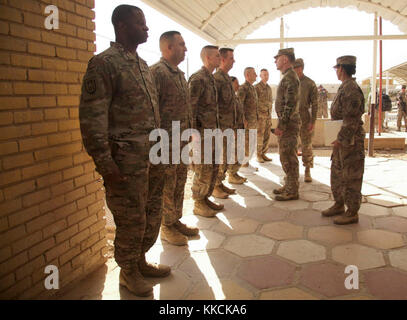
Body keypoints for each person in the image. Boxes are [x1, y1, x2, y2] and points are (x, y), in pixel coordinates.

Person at [79, 5, 169, 297]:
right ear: (121, 25)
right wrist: (105, 163)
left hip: (152, 155)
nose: (146, 29)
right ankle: (128, 272)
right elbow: (93, 118)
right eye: (140, 23)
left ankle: (140, 260)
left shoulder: (142, 65)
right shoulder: (103, 64)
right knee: (131, 217)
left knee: (150, 210)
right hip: (125, 160)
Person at [150, 31, 199, 246]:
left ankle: (174, 219)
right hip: (164, 144)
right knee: (166, 186)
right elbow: (151, 111)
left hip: (181, 142)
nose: (185, 49)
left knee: (179, 182)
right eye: (181, 44)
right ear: (168, 47)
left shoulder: (179, 74)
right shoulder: (157, 73)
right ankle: (165, 226)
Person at [322, 56, 365, 225]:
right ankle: (339, 204)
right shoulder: (344, 87)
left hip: (350, 142)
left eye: (337, 68)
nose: (336, 71)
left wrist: (340, 139)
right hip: (341, 141)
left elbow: (351, 119)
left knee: (351, 176)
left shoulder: (351, 89)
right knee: (338, 173)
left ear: (342, 69)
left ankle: (352, 212)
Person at [189, 45, 223, 216]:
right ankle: (198, 203)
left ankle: (205, 198)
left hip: (212, 133)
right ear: (208, 58)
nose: (220, 59)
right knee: (202, 169)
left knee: (212, 168)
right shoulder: (198, 79)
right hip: (201, 136)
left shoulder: (210, 79)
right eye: (217, 56)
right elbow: (191, 109)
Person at [213, 48, 242, 196]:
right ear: (223, 60)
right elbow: (213, 105)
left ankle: (220, 182)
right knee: (220, 158)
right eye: (231, 58)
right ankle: (216, 186)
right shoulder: (216, 79)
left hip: (229, 127)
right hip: (221, 128)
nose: (234, 61)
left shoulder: (227, 78)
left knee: (226, 157)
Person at [272, 48, 300, 201]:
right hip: (287, 123)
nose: (275, 61)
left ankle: (292, 190)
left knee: (289, 157)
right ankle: (289, 184)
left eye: (277, 58)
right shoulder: (287, 76)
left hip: (288, 125)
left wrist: (281, 126)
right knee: (285, 156)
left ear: (285, 59)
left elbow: (290, 104)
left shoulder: (290, 77)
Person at [293, 58, 318, 183]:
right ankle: (292, 172)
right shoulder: (289, 82)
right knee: (291, 146)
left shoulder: (309, 83)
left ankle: (307, 170)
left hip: (304, 118)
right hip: (291, 118)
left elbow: (315, 104)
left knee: (306, 145)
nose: (294, 70)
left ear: (301, 68)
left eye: (296, 68)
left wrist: (312, 121)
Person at [228, 76, 248, 184]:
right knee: (233, 153)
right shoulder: (228, 98)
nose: (238, 85)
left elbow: (239, 111)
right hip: (233, 130)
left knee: (239, 152)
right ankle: (231, 174)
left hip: (240, 129)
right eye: (236, 83)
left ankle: (234, 173)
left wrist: (243, 120)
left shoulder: (235, 97)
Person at [238, 67, 259, 167]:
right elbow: (239, 104)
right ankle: (243, 161)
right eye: (254, 73)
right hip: (247, 122)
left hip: (253, 121)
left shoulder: (252, 88)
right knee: (245, 141)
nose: (256, 75)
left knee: (251, 142)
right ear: (247, 75)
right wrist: (243, 119)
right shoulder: (243, 88)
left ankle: (246, 160)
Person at [255, 69, 273, 163]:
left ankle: (263, 153)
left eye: (267, 74)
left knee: (267, 135)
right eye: (264, 75)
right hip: (260, 116)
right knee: (260, 136)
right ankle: (258, 155)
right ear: (260, 76)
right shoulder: (257, 87)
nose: (266, 76)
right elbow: (254, 102)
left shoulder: (269, 88)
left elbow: (270, 102)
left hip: (268, 116)